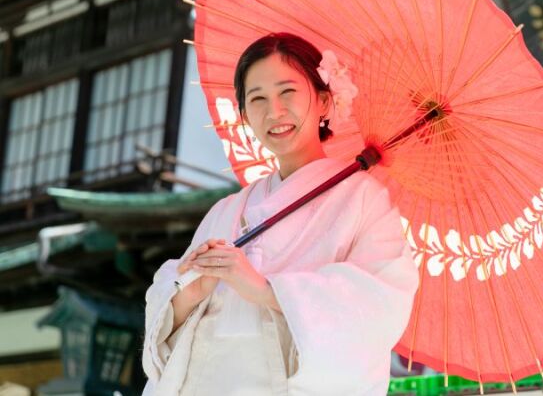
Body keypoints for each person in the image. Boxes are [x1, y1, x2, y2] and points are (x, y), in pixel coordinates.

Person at [142, 33, 420, 395]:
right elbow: (171, 310)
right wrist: (188, 296)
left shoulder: (362, 199)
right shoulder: (225, 211)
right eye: (257, 99)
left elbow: (377, 302)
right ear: (244, 114)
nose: (274, 111)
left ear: (323, 100)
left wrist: (265, 289)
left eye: (287, 92)